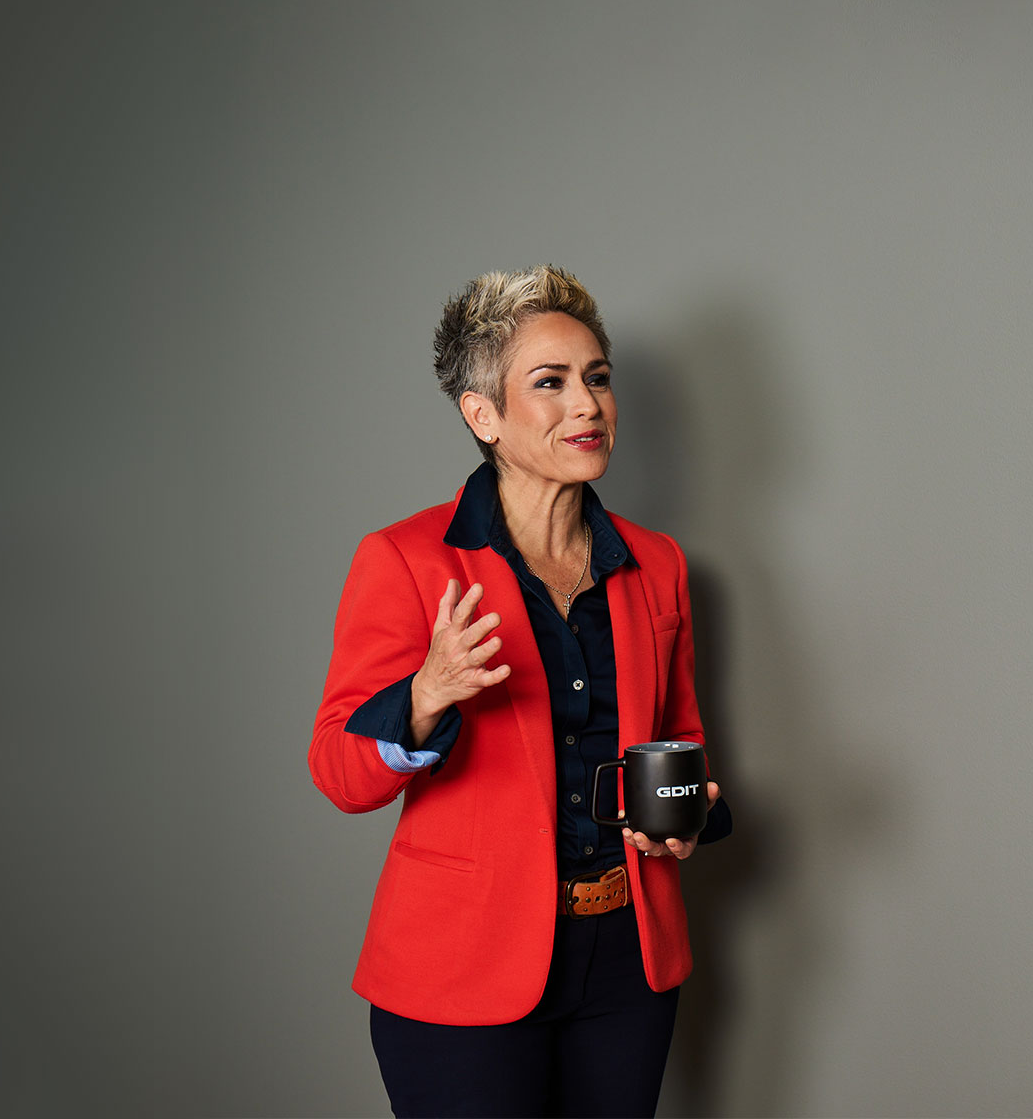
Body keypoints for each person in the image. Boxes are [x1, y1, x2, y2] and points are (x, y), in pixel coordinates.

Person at [309, 266, 730, 1118]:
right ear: (483, 416)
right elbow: (338, 771)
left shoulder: (659, 564)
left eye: (598, 378)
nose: (588, 404)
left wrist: (686, 817)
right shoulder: (406, 561)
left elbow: (678, 737)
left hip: (628, 960)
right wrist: (426, 693)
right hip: (461, 968)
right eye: (552, 383)